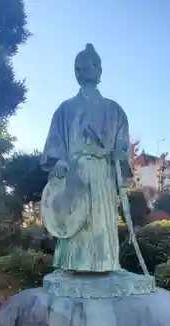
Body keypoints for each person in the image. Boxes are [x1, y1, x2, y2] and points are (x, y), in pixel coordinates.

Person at [41, 43, 132, 272]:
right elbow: (56, 141)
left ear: (99, 70)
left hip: (102, 171)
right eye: (79, 67)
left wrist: (119, 154)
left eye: (90, 65)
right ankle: (73, 263)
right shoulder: (65, 109)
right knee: (75, 215)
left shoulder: (114, 110)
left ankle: (103, 263)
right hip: (75, 170)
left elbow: (122, 144)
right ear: (76, 72)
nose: (83, 70)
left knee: (100, 219)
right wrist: (59, 162)